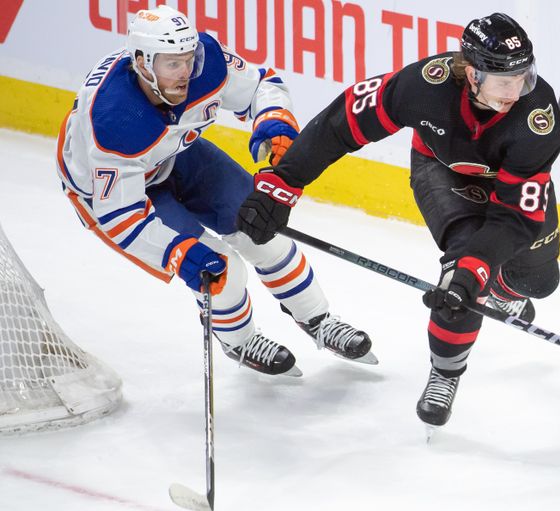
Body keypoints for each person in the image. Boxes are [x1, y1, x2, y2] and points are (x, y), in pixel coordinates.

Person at [236, 13, 560, 426]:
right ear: (471, 74)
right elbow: (342, 122)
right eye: (504, 81)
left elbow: (514, 218)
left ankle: (505, 289)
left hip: (509, 190)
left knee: (539, 283)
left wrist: (482, 267)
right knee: (460, 280)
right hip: (442, 170)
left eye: (524, 77)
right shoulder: (424, 85)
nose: (517, 90)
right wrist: (283, 183)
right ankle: (445, 373)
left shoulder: (537, 117)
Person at [56, 5, 376, 378]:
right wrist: (176, 253)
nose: (186, 74)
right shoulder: (113, 121)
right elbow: (120, 217)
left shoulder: (206, 62)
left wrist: (275, 120)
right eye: (172, 64)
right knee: (219, 270)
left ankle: (318, 320)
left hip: (173, 156)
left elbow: (261, 85)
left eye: (188, 59)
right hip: (112, 195)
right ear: (142, 63)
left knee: (263, 230)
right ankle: (239, 341)